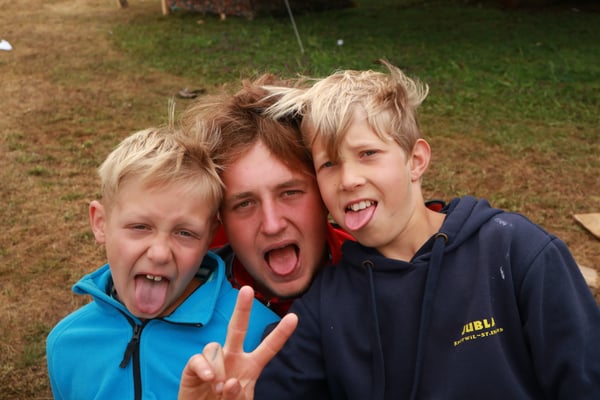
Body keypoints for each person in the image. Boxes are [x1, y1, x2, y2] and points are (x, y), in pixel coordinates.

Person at [178, 60, 600, 399]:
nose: (349, 179)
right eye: (329, 164)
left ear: (416, 160)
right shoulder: (323, 309)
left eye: (368, 153)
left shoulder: (516, 252)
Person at [45, 125, 285, 399]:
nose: (160, 253)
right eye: (139, 227)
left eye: (185, 233)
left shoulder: (258, 340)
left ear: (209, 237)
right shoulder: (66, 345)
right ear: (100, 223)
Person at [179, 75, 355, 317]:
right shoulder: (186, 292)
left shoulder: (380, 274)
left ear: (324, 194)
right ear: (220, 219)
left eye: (290, 193)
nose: (272, 225)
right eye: (245, 204)